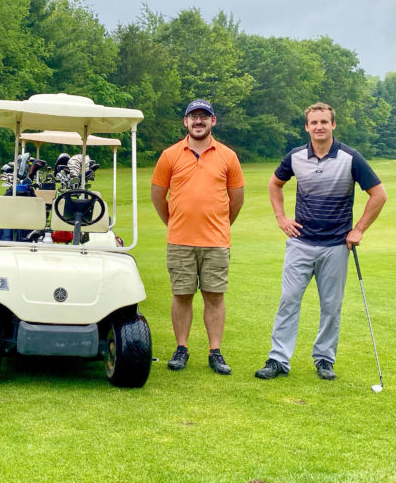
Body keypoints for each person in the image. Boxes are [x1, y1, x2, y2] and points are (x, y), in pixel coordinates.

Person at [255, 102, 387, 381]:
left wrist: (359, 229)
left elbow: (379, 194)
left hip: (336, 246)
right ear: (307, 127)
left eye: (324, 122)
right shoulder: (295, 156)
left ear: (333, 125)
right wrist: (281, 217)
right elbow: (275, 183)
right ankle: (278, 359)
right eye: (314, 122)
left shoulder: (350, 158)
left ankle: (324, 359)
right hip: (301, 243)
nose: (319, 127)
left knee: (331, 306)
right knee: (289, 300)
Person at [151, 99, 245, 375]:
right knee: (182, 295)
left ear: (213, 121)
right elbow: (158, 196)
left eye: (204, 116)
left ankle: (215, 351)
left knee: (214, 296)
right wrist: (174, 223)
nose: (199, 121)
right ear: (186, 121)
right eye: (194, 116)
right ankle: (181, 348)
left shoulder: (228, 156)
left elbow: (236, 199)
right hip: (180, 240)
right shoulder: (170, 155)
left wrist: (221, 225)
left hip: (215, 241)